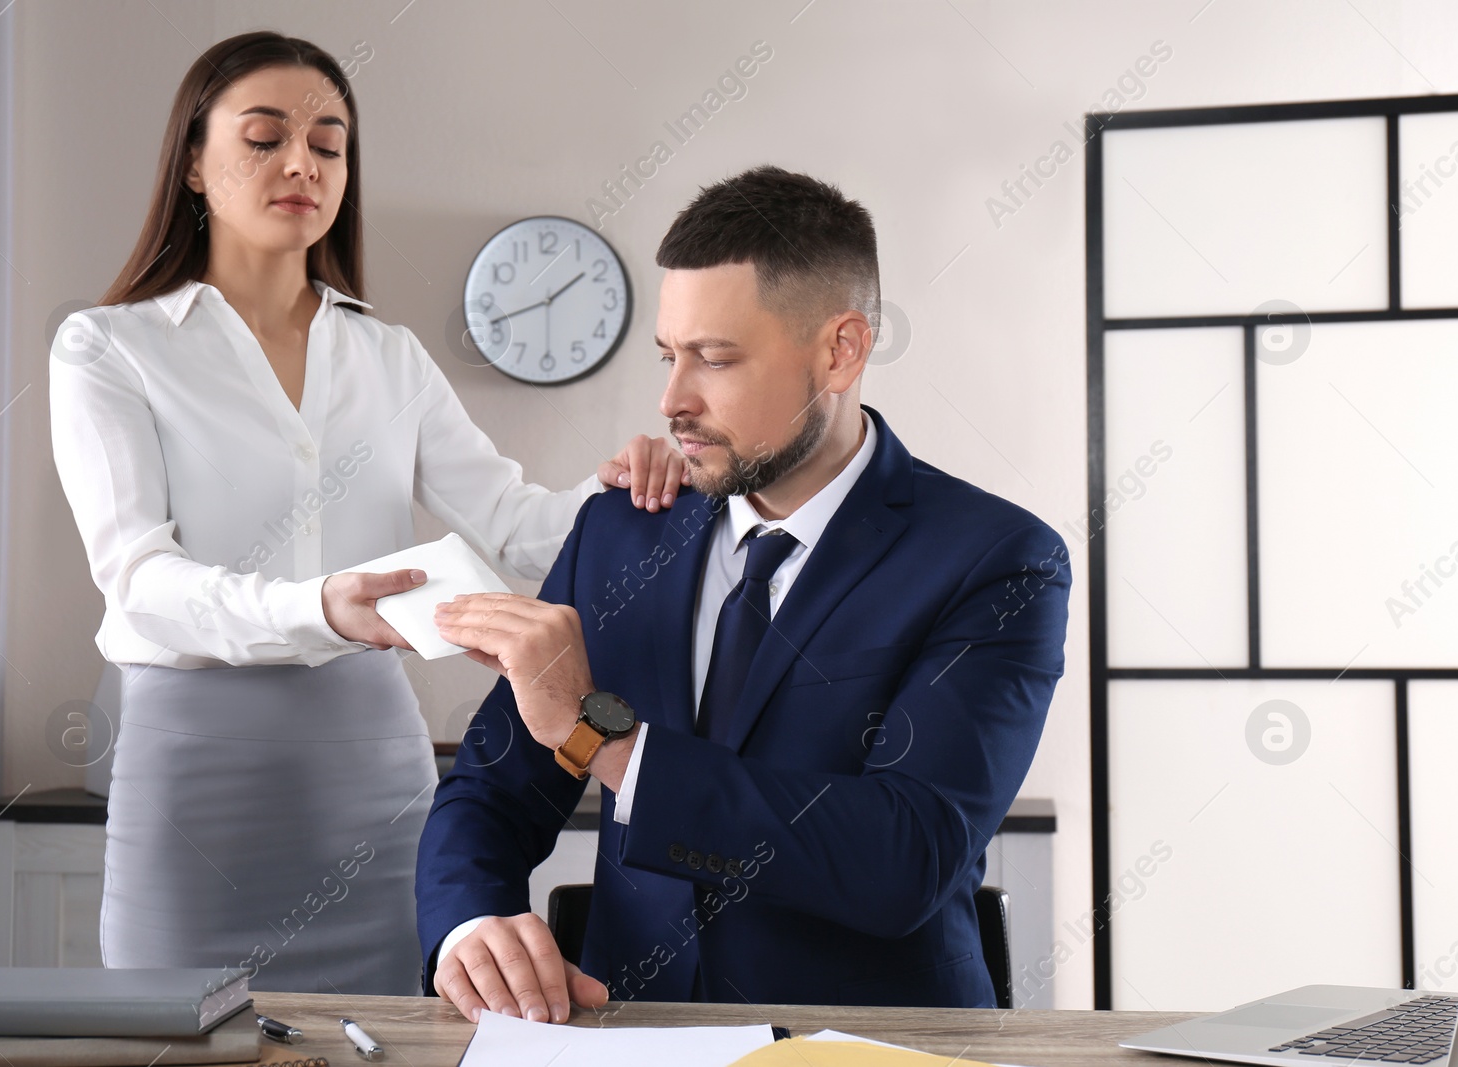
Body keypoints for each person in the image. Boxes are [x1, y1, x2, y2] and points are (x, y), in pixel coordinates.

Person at [48, 31, 685, 997]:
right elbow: (139, 581)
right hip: (195, 780)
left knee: (391, 1038)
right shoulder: (108, 348)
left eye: (329, 144)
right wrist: (319, 606)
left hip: (374, 780)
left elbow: (513, 524)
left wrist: (643, 490)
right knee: (175, 1033)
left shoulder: (387, 356)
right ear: (190, 162)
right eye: (264, 138)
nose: (302, 162)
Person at [415, 165, 1071, 1018]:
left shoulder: (998, 558)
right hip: (627, 1027)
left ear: (841, 350)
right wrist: (470, 922)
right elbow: (493, 787)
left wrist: (604, 738)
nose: (672, 399)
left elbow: (905, 855)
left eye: (714, 359)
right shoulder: (620, 530)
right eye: (669, 355)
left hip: (871, 1044)